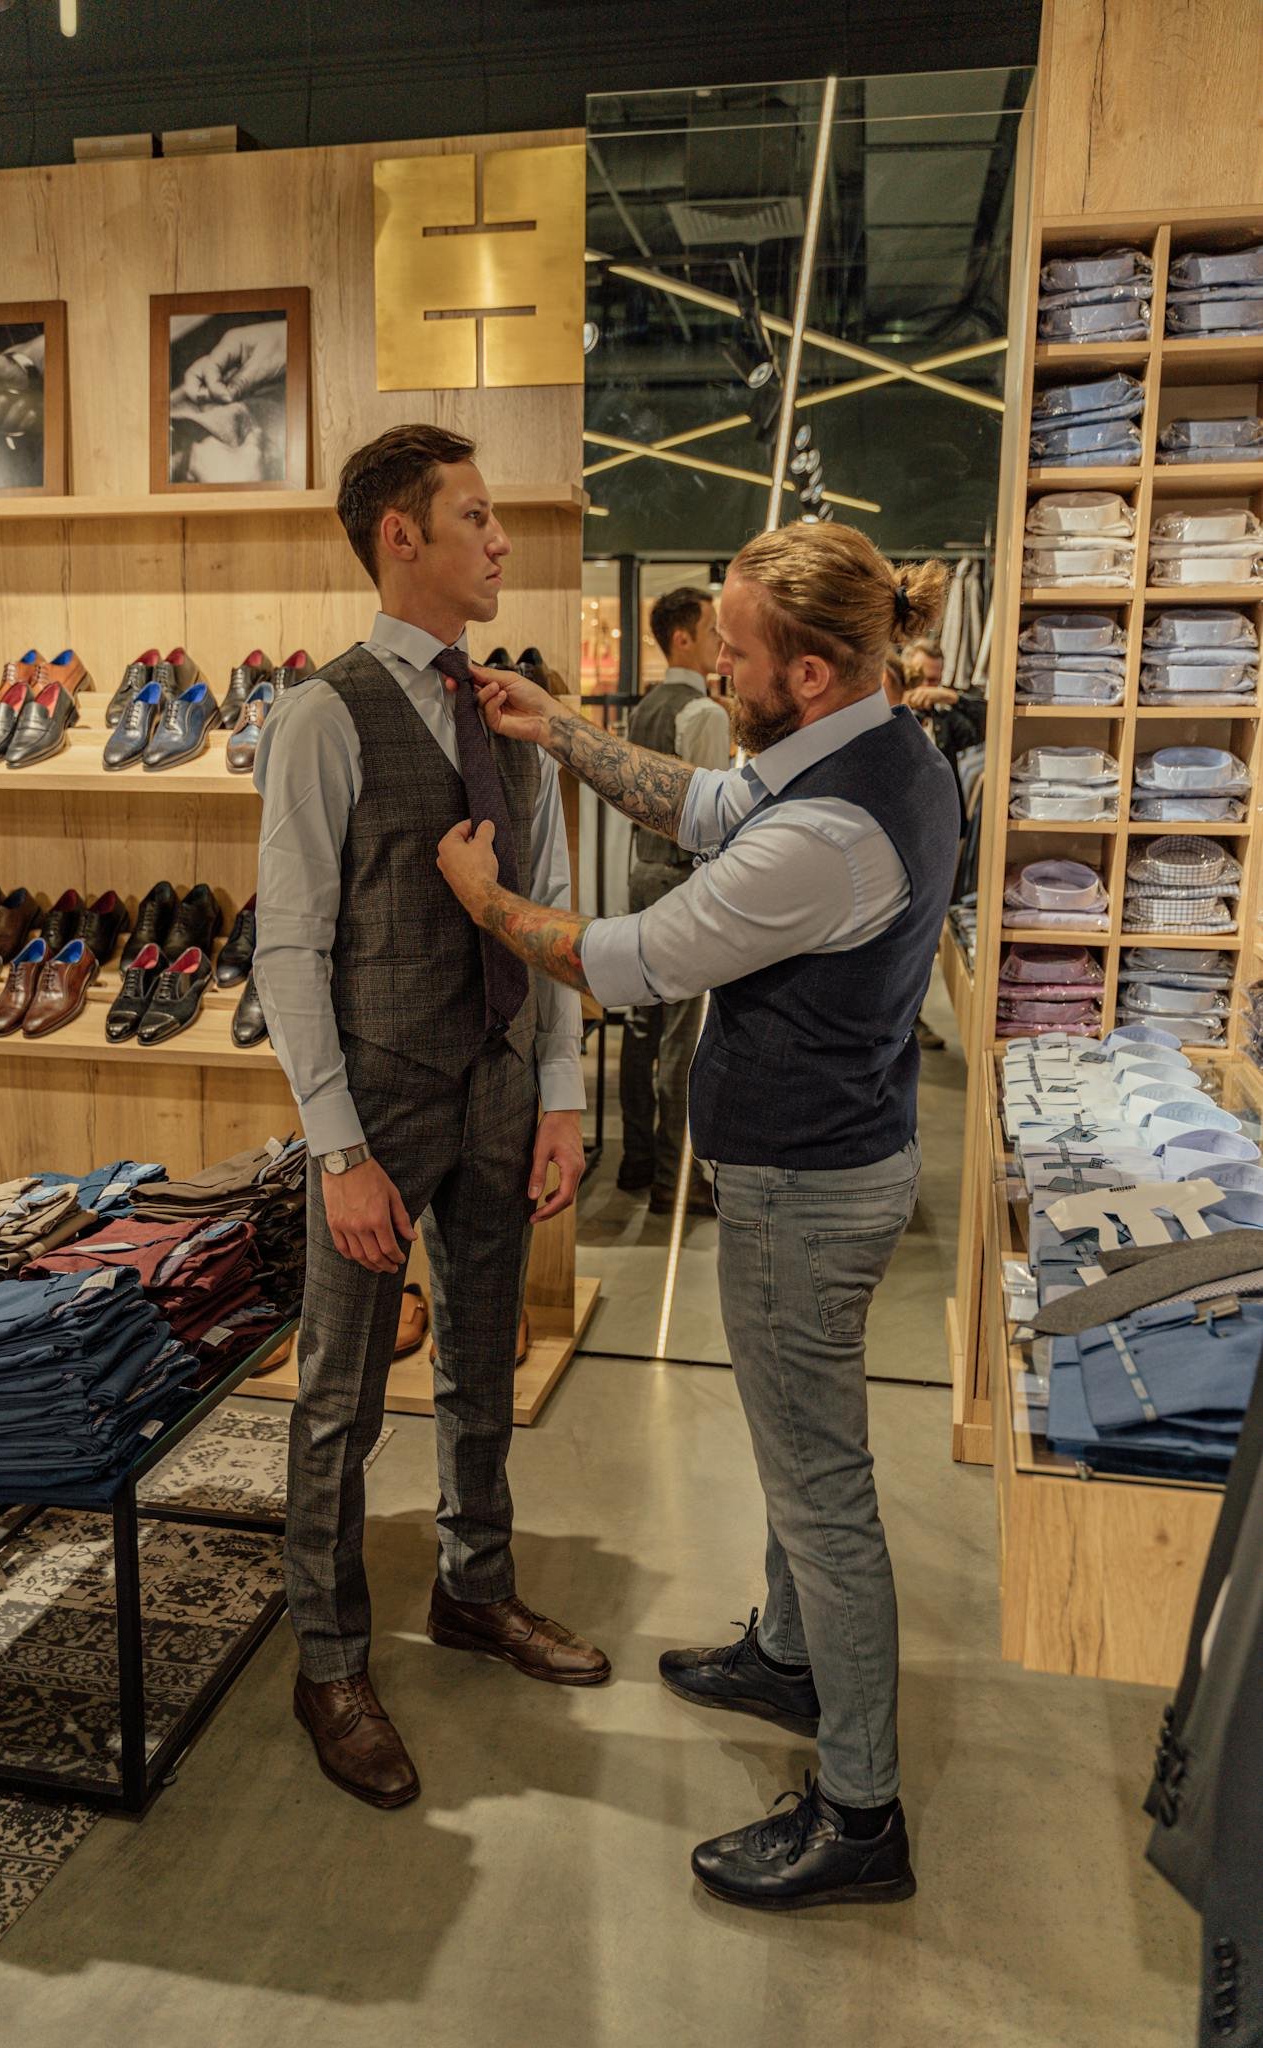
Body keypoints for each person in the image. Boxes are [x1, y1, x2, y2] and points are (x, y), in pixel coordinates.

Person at [434, 521, 958, 1910]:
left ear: (808, 669)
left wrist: (489, 902)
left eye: (732, 652)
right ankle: (789, 1658)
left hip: (807, 1184)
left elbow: (624, 963)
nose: (710, 665)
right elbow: (704, 804)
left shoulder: (834, 833)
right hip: (828, 1163)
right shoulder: (868, 757)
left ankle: (859, 1815)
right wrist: (555, 730)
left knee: (820, 1491)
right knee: (803, 1453)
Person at [252, 422, 608, 1812]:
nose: (501, 541)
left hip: (503, 1091)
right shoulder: (322, 714)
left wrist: (563, 1096)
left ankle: (474, 1589)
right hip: (381, 1105)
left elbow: (558, 914)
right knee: (337, 1398)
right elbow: (289, 949)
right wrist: (336, 1146)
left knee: (479, 1364)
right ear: (401, 536)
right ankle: (328, 1658)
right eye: (475, 516)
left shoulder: (512, 712)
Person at [617, 586, 730, 1216]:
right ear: (683, 637)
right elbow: (709, 826)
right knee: (684, 1033)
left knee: (642, 1026)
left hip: (641, 874)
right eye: (713, 629)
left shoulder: (644, 709)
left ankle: (638, 1160)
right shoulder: (705, 715)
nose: (720, 641)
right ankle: (672, 1176)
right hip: (684, 882)